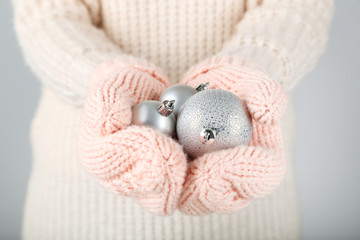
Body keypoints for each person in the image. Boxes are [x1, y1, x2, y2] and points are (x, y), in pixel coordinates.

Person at [14, 0, 334, 239]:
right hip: (80, 207)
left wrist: (252, 69)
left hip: (247, 204)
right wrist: (105, 80)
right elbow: (47, 16)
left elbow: (298, 9)